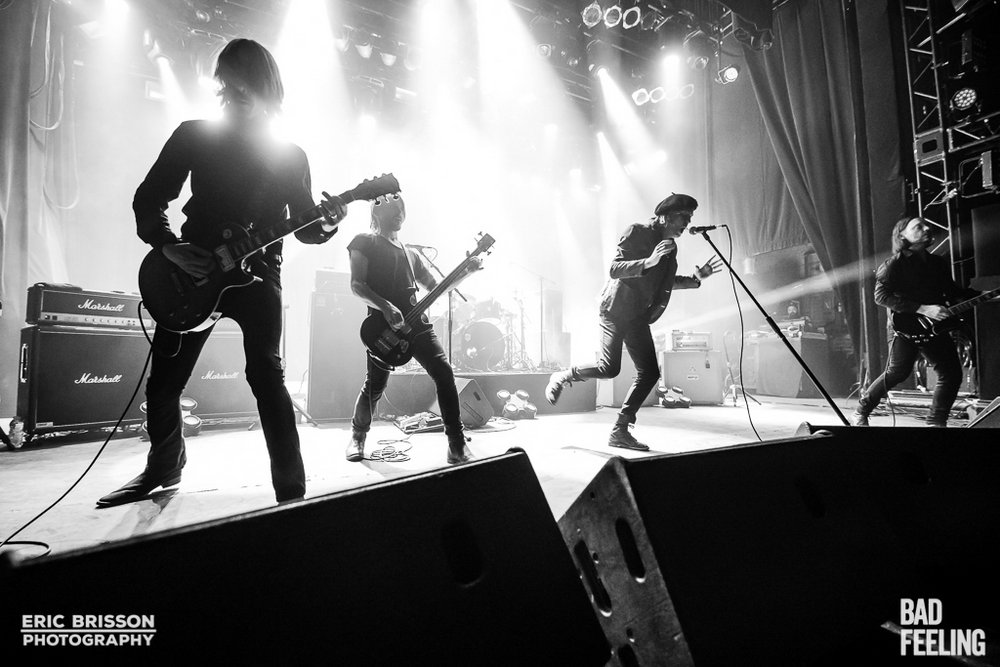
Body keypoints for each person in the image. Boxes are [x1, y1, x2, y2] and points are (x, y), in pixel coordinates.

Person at [97, 38, 347, 507]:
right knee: (164, 382)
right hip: (192, 271)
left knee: (266, 376)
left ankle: (291, 492)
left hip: (259, 275)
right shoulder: (195, 135)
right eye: (228, 83)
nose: (235, 92)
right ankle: (164, 466)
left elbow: (307, 228)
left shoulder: (289, 155)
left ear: (266, 87)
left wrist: (329, 223)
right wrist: (168, 246)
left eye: (245, 83)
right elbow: (148, 198)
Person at [545, 194, 721, 450]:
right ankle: (564, 375)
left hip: (638, 314)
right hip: (615, 309)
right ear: (666, 217)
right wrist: (649, 261)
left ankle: (620, 430)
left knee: (649, 373)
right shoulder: (637, 232)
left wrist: (695, 279)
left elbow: (665, 282)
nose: (687, 223)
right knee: (609, 369)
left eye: (690, 218)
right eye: (684, 217)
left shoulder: (671, 246)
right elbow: (615, 268)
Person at [345, 193, 477, 464]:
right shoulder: (364, 242)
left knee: (444, 373)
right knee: (375, 385)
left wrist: (466, 272)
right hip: (382, 326)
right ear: (377, 212)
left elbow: (437, 288)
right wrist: (385, 306)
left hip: (417, 325)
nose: (399, 213)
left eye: (401, 209)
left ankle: (456, 444)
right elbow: (357, 285)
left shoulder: (411, 254)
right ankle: (357, 436)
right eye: (392, 208)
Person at [851, 215, 980, 427]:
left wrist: (982, 295)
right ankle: (861, 411)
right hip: (904, 328)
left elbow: (953, 291)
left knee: (951, 373)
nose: (926, 228)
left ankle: (936, 422)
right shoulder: (893, 265)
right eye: (918, 227)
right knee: (897, 373)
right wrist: (923, 308)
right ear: (902, 236)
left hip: (933, 327)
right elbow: (881, 297)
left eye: (926, 225)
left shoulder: (937, 263)